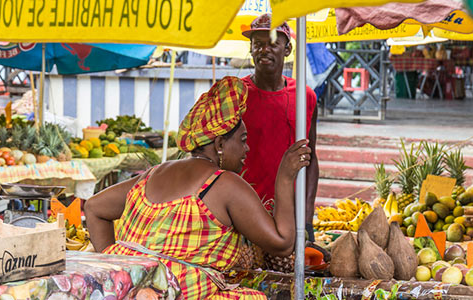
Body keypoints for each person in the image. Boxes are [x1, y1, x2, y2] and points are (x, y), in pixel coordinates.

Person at [85, 77, 312, 299]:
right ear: (220, 144)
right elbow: (282, 243)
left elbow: (94, 207)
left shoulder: (154, 173)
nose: (247, 149)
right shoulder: (224, 183)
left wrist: (116, 270)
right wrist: (284, 177)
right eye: (242, 140)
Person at [239, 14, 320, 243]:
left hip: (289, 215)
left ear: (287, 49)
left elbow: (311, 158)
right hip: (242, 212)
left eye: (273, 43)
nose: (264, 50)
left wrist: (306, 217)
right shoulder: (236, 95)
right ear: (251, 49)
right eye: (258, 44)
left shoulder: (306, 98)